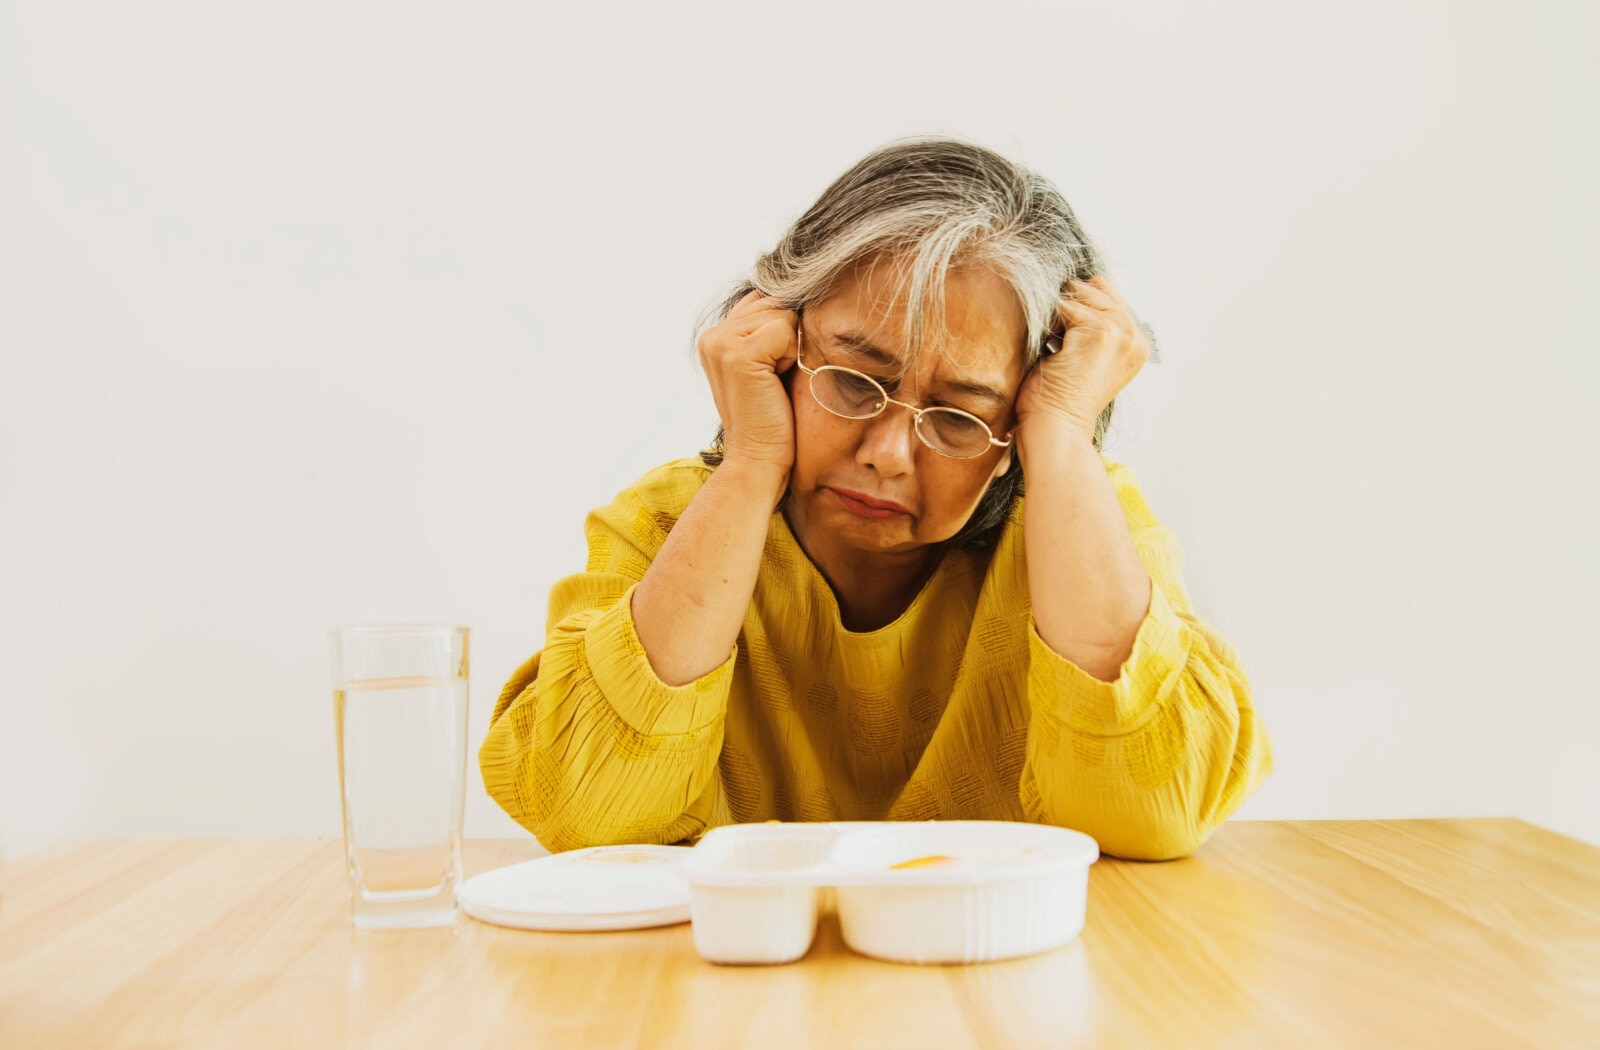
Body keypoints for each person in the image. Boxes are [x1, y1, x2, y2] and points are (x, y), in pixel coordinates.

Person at [480, 138, 1271, 861]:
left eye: (961, 417)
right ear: (776, 346)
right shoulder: (665, 520)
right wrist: (754, 457)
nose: (889, 455)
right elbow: (586, 816)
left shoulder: (1078, 521)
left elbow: (1151, 812)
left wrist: (1064, 433)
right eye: (856, 382)